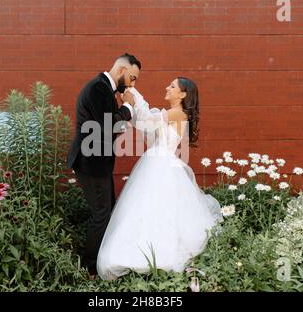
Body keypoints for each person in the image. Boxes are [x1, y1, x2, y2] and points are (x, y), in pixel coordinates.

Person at [97, 77, 223, 281]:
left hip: (160, 164)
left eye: (172, 86)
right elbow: (146, 123)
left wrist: (134, 97)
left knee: (154, 208)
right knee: (151, 208)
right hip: (156, 161)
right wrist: (132, 100)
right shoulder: (169, 113)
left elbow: (146, 121)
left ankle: (151, 251)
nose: (167, 87)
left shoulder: (177, 112)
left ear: (183, 94)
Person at [67, 53, 141, 277]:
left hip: (97, 162)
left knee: (106, 211)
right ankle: (90, 268)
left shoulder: (104, 89)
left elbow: (106, 126)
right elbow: (109, 124)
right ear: (121, 70)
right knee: (101, 215)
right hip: (91, 163)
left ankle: (98, 260)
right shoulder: (99, 88)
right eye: (132, 77)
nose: (132, 84)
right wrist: (128, 107)